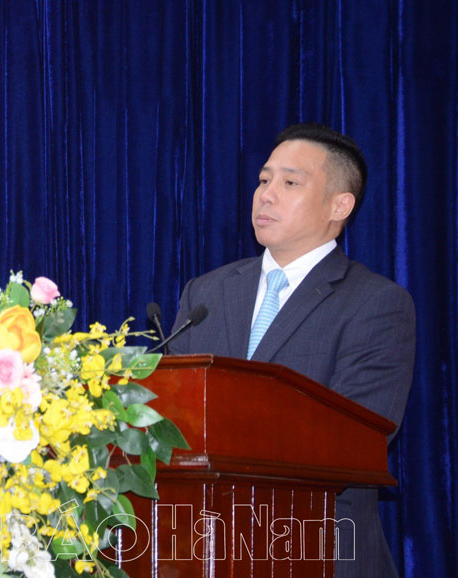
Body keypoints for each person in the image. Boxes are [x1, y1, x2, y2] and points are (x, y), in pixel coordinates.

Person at [168, 123, 416, 578]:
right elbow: (169, 417)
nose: (266, 195)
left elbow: (357, 437)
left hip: (317, 546)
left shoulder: (375, 303)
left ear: (340, 205)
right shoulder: (206, 293)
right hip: (203, 547)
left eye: (290, 183)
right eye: (264, 180)